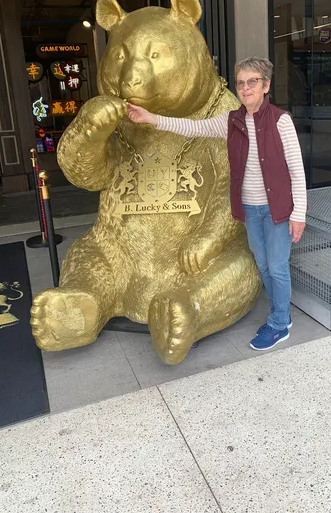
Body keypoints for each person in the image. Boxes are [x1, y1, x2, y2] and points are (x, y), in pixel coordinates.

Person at [127, 57, 307, 351]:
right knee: (263, 264)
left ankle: (278, 323)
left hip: (278, 211)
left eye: (253, 82)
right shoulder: (231, 121)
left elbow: (296, 171)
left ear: (266, 85)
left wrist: (298, 214)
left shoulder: (280, 121)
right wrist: (152, 118)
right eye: (241, 82)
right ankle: (280, 315)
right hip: (250, 210)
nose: (246, 88)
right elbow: (192, 128)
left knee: (276, 267)